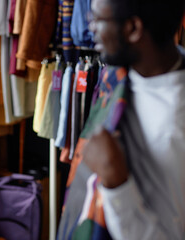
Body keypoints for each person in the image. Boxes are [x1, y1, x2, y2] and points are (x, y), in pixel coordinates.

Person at [58, 0, 185, 239]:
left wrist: (116, 182)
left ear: (133, 29)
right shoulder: (120, 76)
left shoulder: (175, 125)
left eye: (97, 19)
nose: (90, 28)